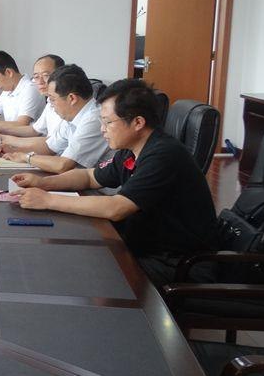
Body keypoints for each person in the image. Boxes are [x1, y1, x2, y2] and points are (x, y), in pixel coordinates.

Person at [11, 78, 218, 286]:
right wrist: (43, 183)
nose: (102, 129)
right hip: (145, 246)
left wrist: (48, 200)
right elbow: (90, 177)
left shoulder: (163, 155)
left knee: (78, 273)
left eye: (108, 122)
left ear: (138, 123)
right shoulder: (132, 150)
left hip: (176, 263)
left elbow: (116, 208)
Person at [0, 64, 109, 173]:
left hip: (100, 185)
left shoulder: (93, 119)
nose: (51, 105)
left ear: (72, 98)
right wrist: (13, 150)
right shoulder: (72, 117)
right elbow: (49, 147)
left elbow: (63, 165)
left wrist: (26, 157)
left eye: (53, 99)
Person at [0, 54, 65, 148]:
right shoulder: (50, 102)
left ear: (61, 75)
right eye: (36, 76)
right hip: (36, 150)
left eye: (46, 75)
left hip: (41, 151)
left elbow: (51, 145)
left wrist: (1, 137)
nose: (40, 81)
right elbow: (34, 130)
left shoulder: (64, 105)